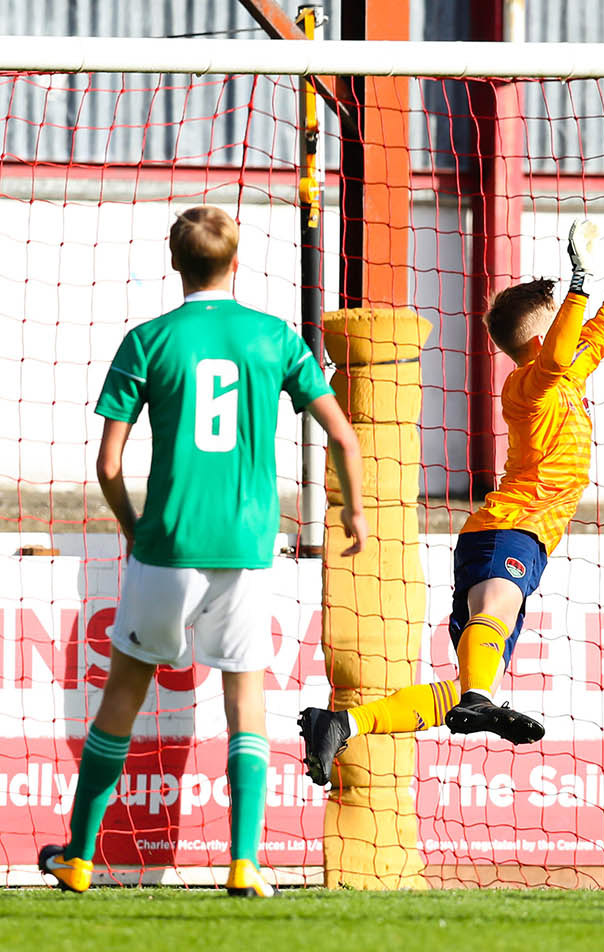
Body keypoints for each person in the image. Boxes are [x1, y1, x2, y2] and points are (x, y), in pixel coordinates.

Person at [298, 198, 604, 784]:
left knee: (467, 692)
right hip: (506, 530)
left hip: (516, 538)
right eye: (563, 317)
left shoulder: (564, 372)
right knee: (494, 615)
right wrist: (575, 285)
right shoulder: (529, 386)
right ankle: (475, 698)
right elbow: (570, 341)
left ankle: (343, 725)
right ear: (543, 333)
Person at [39, 206, 367, 897]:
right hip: (247, 549)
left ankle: (78, 857)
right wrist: (357, 509)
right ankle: (244, 862)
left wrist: (133, 529)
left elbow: (106, 464)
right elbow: (343, 434)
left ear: (174, 261)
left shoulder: (149, 340)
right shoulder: (275, 337)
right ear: (236, 261)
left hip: (167, 546)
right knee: (245, 702)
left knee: (122, 699)